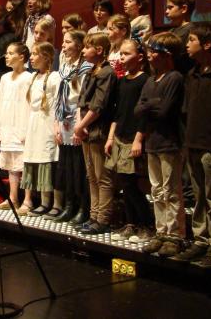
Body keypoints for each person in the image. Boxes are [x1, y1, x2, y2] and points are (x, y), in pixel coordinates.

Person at [171, 23, 211, 268]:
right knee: (198, 196)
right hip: (193, 142)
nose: (187, 43)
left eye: (192, 39)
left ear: (206, 45)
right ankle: (201, 239)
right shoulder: (192, 74)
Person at [135, 32, 186, 256]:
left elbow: (165, 111)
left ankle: (175, 235)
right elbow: (138, 110)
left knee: (171, 190)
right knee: (156, 190)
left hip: (169, 142)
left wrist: (149, 105)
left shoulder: (174, 78)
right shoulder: (149, 80)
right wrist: (150, 105)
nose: (150, 55)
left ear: (167, 55)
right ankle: (161, 231)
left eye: (154, 51)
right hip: (152, 142)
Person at [105, 39, 152, 242]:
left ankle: (146, 224)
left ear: (139, 57)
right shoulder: (122, 81)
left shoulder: (145, 81)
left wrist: (138, 139)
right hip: (120, 135)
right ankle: (131, 223)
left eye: (126, 54)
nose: (122, 58)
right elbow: (118, 112)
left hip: (134, 137)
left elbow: (144, 114)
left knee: (131, 183)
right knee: (124, 183)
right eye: (121, 54)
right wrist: (110, 137)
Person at [74, 33, 117, 234]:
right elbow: (82, 101)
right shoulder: (91, 71)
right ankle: (93, 215)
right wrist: (79, 125)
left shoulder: (107, 73)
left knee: (103, 176)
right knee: (91, 175)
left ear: (99, 50)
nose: (83, 51)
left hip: (98, 130)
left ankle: (103, 218)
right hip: (87, 130)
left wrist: (81, 124)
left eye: (87, 47)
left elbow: (98, 105)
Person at [51, 31, 91, 223]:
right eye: (64, 42)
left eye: (68, 42)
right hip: (64, 120)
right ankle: (69, 205)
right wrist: (57, 124)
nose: (64, 46)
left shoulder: (85, 68)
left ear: (78, 45)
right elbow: (59, 97)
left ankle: (83, 208)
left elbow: (83, 98)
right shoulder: (64, 66)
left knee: (79, 167)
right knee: (66, 166)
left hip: (77, 120)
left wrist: (78, 126)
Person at [20, 42, 61, 216]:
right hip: (34, 123)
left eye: (35, 54)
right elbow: (28, 105)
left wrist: (56, 126)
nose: (31, 58)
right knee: (36, 160)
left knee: (48, 161)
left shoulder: (54, 77)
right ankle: (43, 202)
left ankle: (55, 204)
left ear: (45, 57)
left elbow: (59, 103)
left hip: (47, 122)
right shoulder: (32, 77)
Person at [0, 42, 32, 209]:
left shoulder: (29, 77)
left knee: (25, 163)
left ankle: (28, 199)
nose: (6, 56)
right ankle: (13, 198)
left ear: (21, 57)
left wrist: (28, 128)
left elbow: (30, 104)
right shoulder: (4, 78)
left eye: (10, 53)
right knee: (11, 164)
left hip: (22, 123)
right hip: (8, 124)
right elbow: (0, 103)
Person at [165, 0, 196, 75]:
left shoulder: (191, 31)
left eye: (170, 7)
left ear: (184, 9)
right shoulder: (171, 31)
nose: (166, 11)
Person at [106, 14, 130, 78]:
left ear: (123, 31)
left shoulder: (128, 50)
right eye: (107, 29)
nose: (107, 32)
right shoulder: (110, 49)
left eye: (111, 29)